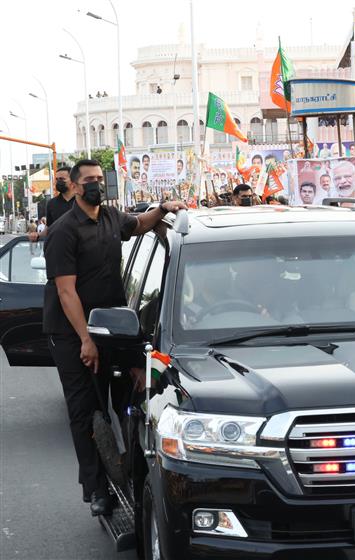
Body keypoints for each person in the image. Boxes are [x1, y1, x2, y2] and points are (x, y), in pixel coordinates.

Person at [43, 159, 186, 516]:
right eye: (88, 180)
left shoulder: (110, 217)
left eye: (99, 179)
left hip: (114, 324)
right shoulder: (63, 231)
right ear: (74, 187)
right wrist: (86, 341)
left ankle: (131, 472)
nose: (96, 185)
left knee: (129, 400)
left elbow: (139, 224)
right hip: (73, 331)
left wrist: (163, 209)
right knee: (86, 411)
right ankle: (96, 490)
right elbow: (66, 293)